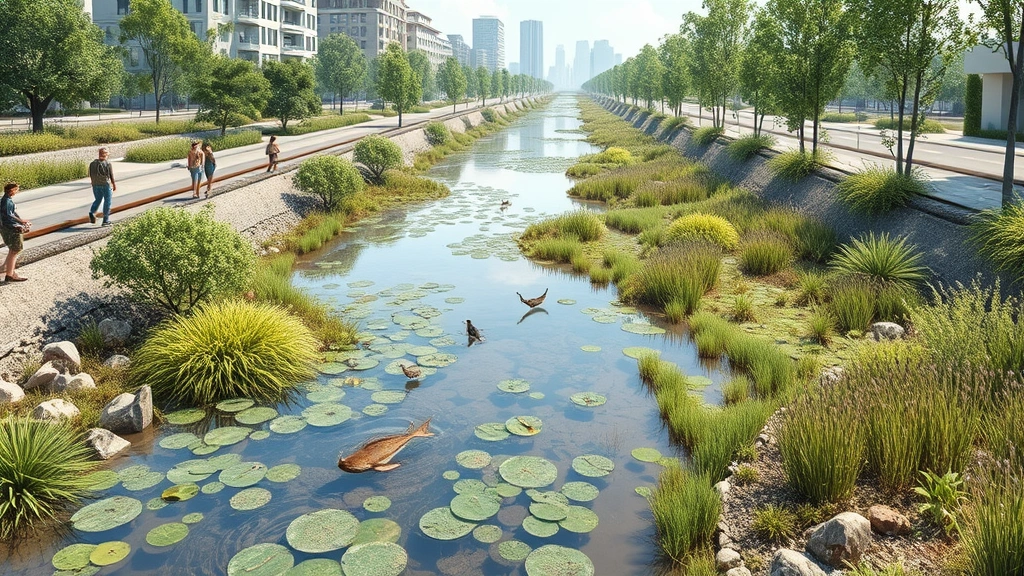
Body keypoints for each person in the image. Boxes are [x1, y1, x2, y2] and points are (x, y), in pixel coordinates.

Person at [1, 182, 30, 283]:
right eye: (16, 189)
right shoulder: (6, 201)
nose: (17, 191)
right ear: (11, 190)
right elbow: (9, 215)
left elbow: (13, 213)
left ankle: (10, 273)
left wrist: (21, 220)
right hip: (10, 229)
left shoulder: (6, 200)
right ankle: (10, 275)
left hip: (8, 228)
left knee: (12, 251)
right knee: (14, 250)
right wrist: (21, 222)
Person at [88, 147, 116, 226]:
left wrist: (93, 183)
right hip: (105, 185)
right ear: (105, 154)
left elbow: (91, 174)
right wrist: (113, 184)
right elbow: (111, 175)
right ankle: (105, 221)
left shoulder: (92, 163)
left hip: (95, 185)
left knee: (98, 200)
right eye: (107, 153)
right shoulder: (107, 163)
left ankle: (92, 212)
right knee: (107, 202)